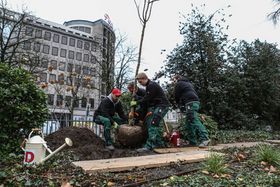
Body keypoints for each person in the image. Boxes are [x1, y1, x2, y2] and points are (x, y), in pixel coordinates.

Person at [131, 72, 170, 152]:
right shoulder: (149, 86)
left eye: (140, 82)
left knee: (153, 123)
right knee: (155, 125)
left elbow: (147, 98)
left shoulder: (151, 85)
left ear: (144, 78)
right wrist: (137, 97)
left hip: (162, 106)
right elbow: (147, 97)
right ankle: (159, 144)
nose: (140, 84)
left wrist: (137, 102)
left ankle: (149, 146)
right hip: (159, 106)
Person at [173, 75, 210, 147]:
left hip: (190, 103)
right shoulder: (188, 83)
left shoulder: (179, 83)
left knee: (193, 120)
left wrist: (179, 106)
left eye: (174, 80)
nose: (173, 82)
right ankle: (192, 142)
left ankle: (205, 138)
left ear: (177, 79)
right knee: (188, 122)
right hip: (195, 102)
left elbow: (176, 96)